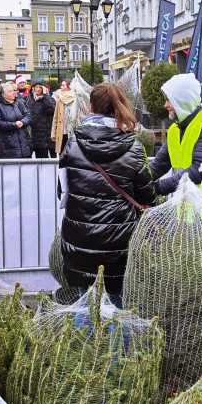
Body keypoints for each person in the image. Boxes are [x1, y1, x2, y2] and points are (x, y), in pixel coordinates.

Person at [59, 83, 156, 303]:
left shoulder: (73, 142)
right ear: (120, 106)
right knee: (117, 306)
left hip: (80, 236)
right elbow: (147, 198)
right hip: (119, 242)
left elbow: (62, 192)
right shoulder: (133, 146)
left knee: (84, 305)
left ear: (91, 106)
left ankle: (86, 339)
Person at [0, 81, 32, 159]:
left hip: (23, 145)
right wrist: (14, 125)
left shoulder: (19, 103)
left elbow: (28, 116)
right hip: (6, 148)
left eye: (13, 91)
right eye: (10, 91)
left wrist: (23, 122)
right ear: (3, 94)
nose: (13, 93)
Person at [27, 78, 56, 158]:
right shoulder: (28, 99)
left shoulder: (49, 99)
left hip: (44, 135)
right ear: (33, 88)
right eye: (37, 87)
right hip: (32, 134)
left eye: (41, 87)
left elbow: (51, 110)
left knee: (44, 160)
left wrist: (46, 95)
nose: (38, 89)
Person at [51, 78, 75, 156]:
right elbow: (55, 118)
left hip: (71, 133)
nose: (61, 87)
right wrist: (53, 133)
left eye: (63, 85)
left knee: (71, 154)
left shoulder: (75, 99)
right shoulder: (59, 100)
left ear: (69, 87)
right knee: (61, 155)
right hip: (61, 132)